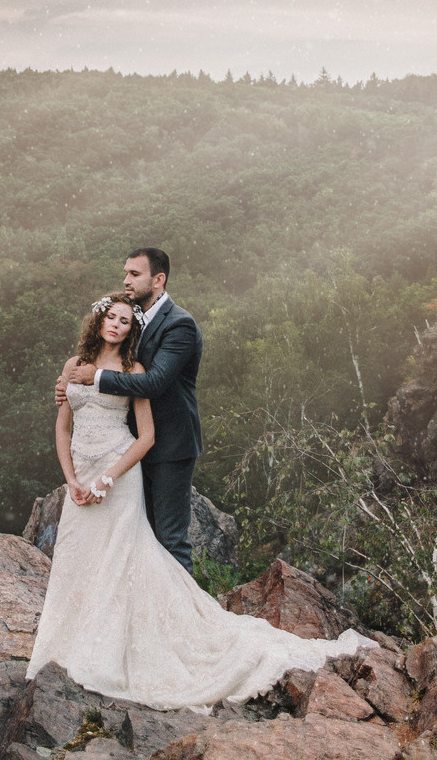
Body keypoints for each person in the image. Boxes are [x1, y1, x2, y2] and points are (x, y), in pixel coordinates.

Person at [31, 291, 376, 710]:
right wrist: (70, 480)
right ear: (99, 320)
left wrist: (106, 478)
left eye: (125, 320)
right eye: (111, 317)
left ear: (130, 330)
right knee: (77, 560)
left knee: (118, 562)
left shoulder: (133, 368)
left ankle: (109, 657)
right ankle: (64, 648)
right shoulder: (73, 367)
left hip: (116, 474)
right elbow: (62, 426)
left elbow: (146, 436)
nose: (116, 325)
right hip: (79, 474)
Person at [57, 247, 201, 569]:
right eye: (125, 273)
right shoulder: (134, 321)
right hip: (126, 447)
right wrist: (70, 387)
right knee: (139, 540)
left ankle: (178, 618)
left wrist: (95, 379)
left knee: (170, 539)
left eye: (135, 275)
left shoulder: (180, 325)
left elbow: (154, 382)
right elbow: (109, 360)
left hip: (169, 447)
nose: (126, 280)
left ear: (158, 280)